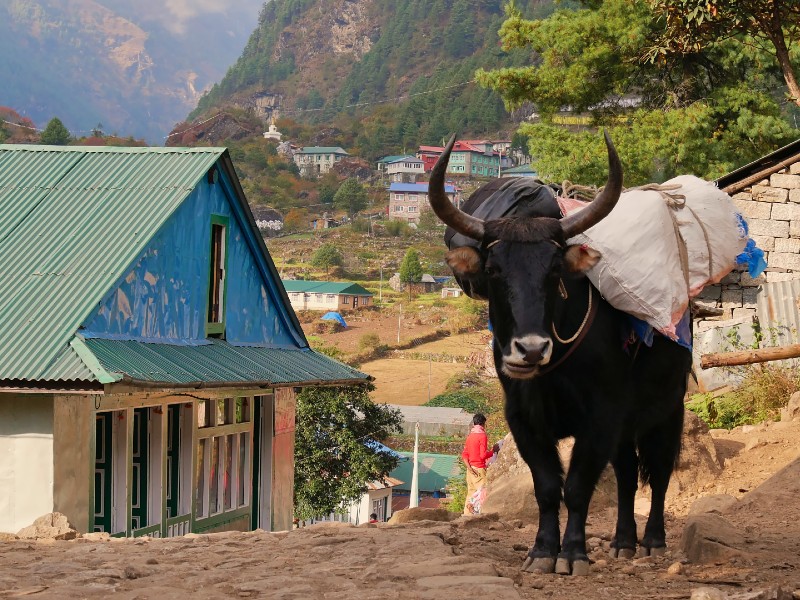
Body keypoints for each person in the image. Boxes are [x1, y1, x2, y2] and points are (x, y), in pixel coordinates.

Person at [461, 413, 499, 515]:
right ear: (483, 424)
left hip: (470, 471)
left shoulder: (470, 436)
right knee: (482, 494)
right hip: (479, 469)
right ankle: (477, 516)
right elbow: (482, 456)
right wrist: (493, 451)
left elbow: (464, 454)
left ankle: (466, 517)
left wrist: (469, 468)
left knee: (470, 494)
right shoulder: (482, 436)